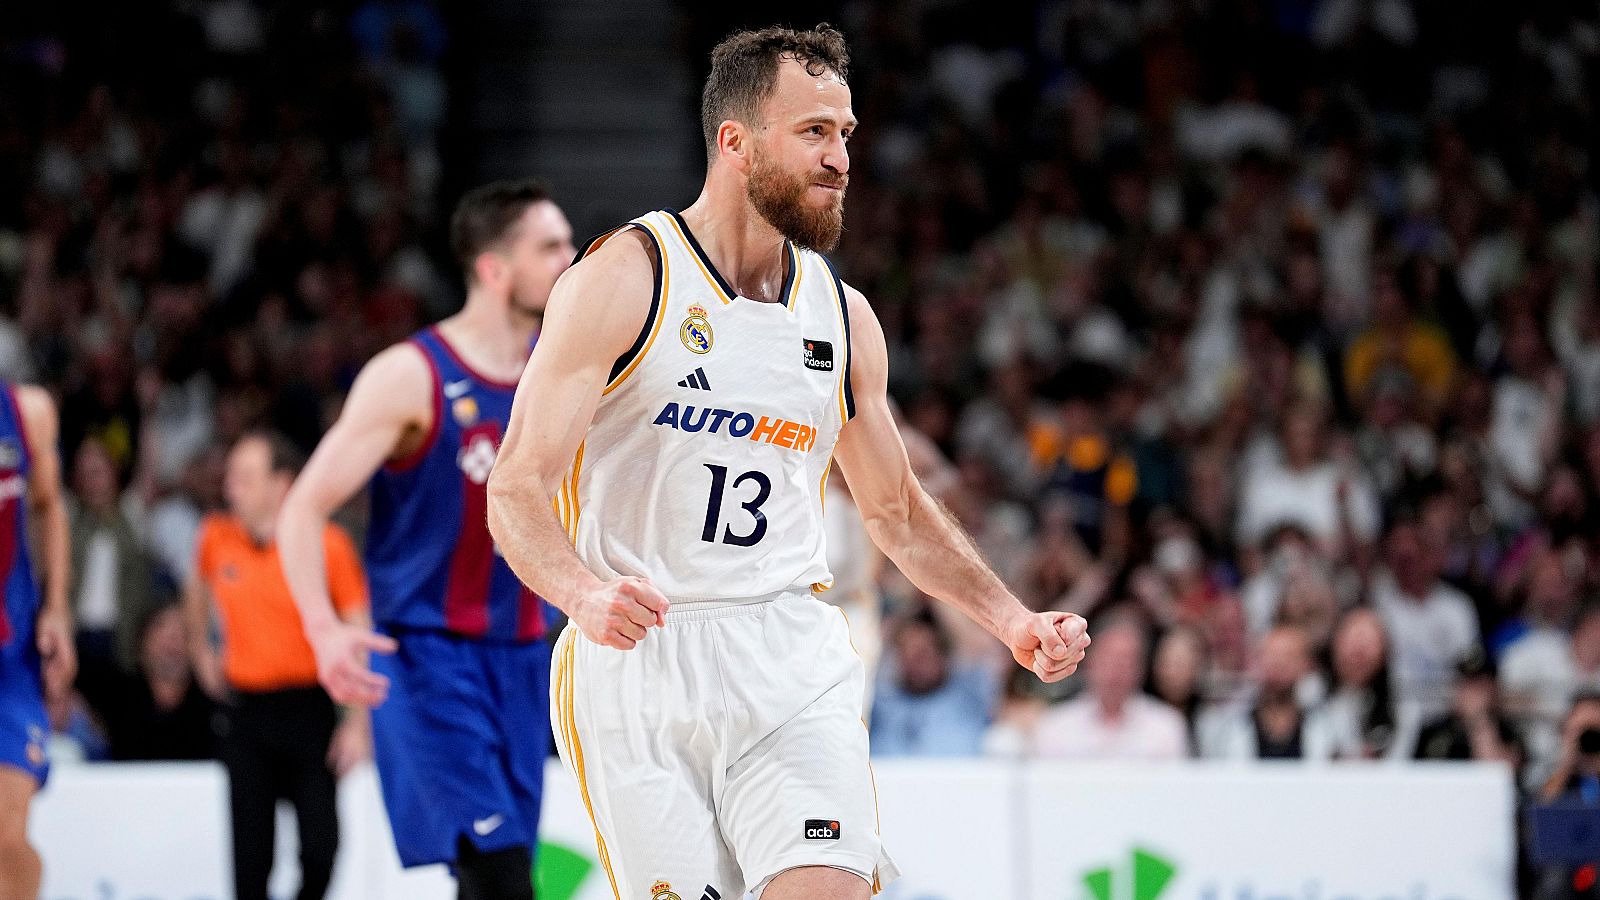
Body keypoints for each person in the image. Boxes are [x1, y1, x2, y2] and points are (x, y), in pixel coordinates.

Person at [484, 25, 1090, 900]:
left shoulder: (843, 317)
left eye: (846, 133)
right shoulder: (626, 279)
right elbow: (516, 485)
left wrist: (1011, 620)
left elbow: (897, 513)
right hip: (644, 656)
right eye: (814, 131)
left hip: (787, 651)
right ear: (735, 142)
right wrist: (581, 592)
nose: (840, 156)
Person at [279, 179, 574, 900]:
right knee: (497, 869)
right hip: (428, 654)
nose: (573, 259)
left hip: (525, 655)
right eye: (551, 246)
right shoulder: (411, 375)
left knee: (497, 873)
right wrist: (322, 630)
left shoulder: (566, 370)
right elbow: (302, 509)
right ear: (494, 269)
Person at [185, 432, 368, 900]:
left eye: (245, 477)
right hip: (247, 712)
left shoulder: (328, 544)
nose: (231, 488)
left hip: (310, 708)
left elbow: (357, 628)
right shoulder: (215, 537)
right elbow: (196, 595)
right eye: (231, 477)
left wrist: (357, 723)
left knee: (321, 848)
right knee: (250, 858)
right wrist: (200, 649)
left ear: (282, 484)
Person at [0, 381, 74, 900]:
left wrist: (57, 609)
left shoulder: (28, 411)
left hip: (11, 655)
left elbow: (48, 506)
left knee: (7, 831)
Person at [1034, 613, 1185, 761]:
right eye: (1109, 659)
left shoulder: (1165, 728)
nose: (1117, 670)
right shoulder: (1055, 727)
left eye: (1126, 661)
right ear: (1088, 661)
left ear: (1142, 667)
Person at [869, 605, 996, 757]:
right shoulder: (880, 705)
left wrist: (934, 594)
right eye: (906, 653)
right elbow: (861, 647)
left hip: (958, 779)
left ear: (942, 655)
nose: (914, 662)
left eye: (922, 653)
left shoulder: (968, 695)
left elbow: (981, 647)